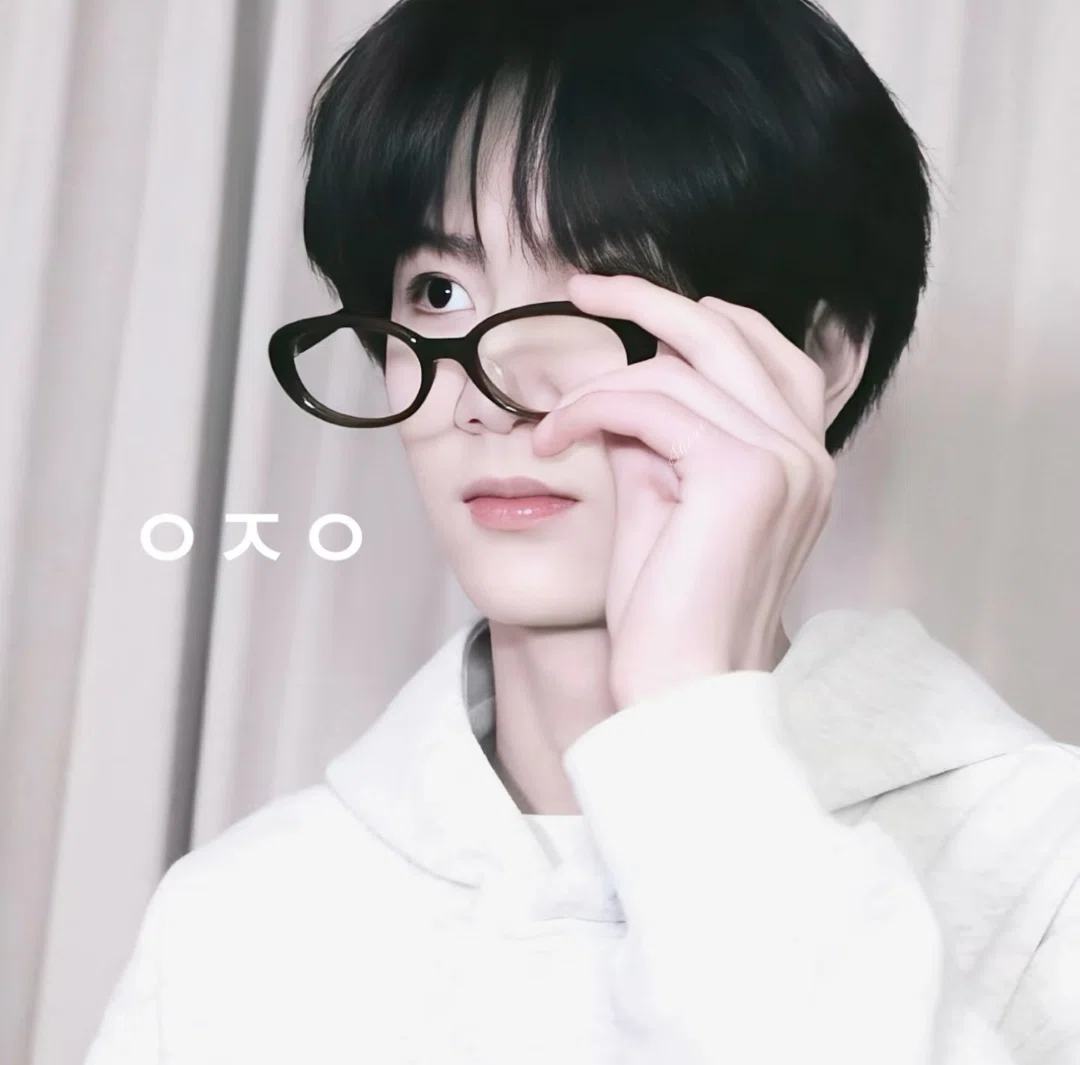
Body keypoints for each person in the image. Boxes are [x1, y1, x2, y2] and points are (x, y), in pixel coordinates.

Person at [86, 1, 1080, 1062]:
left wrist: (690, 711)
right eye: (438, 291)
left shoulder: (1038, 861)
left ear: (819, 361)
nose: (493, 390)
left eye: (608, 287)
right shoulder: (237, 920)